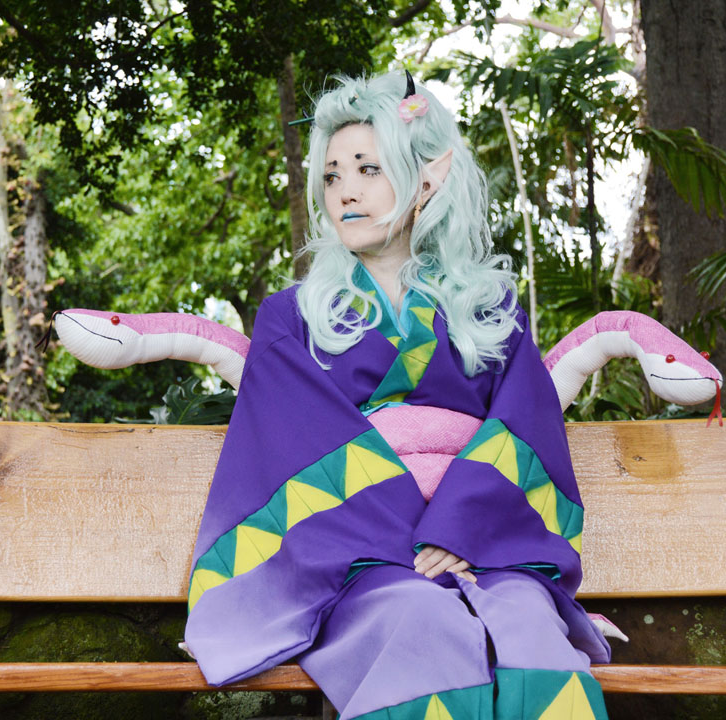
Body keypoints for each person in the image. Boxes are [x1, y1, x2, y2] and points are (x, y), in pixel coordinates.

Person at [184, 71, 611, 720]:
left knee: (529, 627)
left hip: (485, 548)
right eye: (331, 175)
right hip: (356, 561)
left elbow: (526, 426)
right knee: (420, 624)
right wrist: (413, 539)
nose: (345, 191)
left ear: (426, 181)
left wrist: (462, 530)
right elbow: (292, 447)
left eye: (368, 169)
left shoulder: (490, 311)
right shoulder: (290, 318)